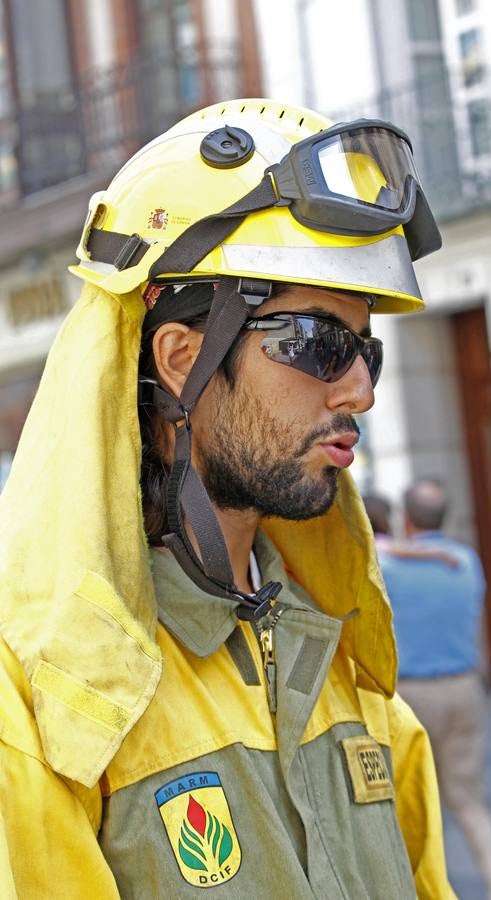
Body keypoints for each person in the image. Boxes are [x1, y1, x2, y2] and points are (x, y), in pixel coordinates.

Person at [0, 99, 456, 898]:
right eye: (318, 342)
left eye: (366, 351)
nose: (360, 391)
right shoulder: (37, 705)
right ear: (181, 357)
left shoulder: (349, 673)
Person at [365, 481, 491, 900]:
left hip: (409, 696)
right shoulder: (464, 561)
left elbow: (372, 550)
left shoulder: (387, 565)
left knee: (405, 804)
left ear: (407, 520)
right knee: (469, 799)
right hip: (465, 690)